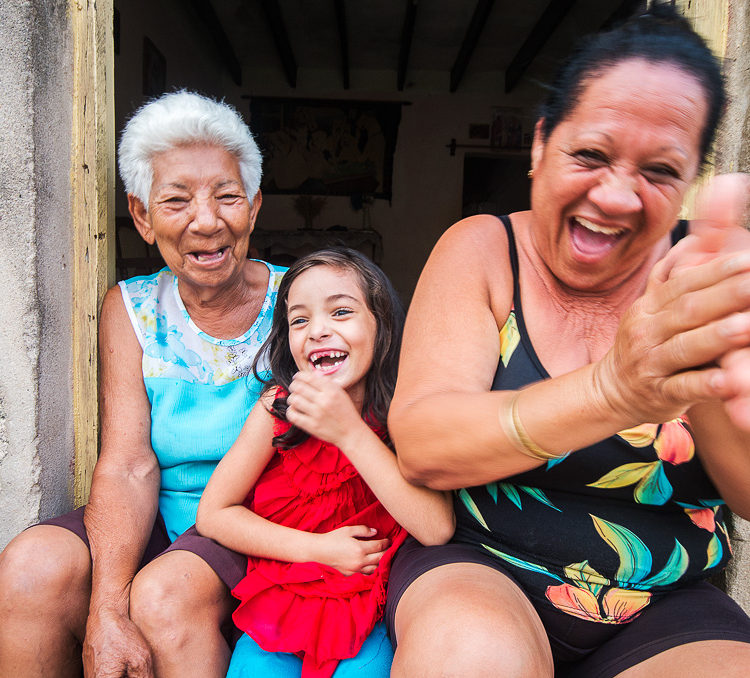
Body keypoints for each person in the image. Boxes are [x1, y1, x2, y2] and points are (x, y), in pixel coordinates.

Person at [385, 6, 750, 678]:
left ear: (693, 176)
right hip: (482, 566)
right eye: (589, 153)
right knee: (469, 659)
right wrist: (614, 391)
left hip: (672, 602)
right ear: (540, 143)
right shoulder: (482, 249)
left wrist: (703, 371)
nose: (615, 196)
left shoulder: (709, 279)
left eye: (661, 170)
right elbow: (423, 447)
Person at [0, 91, 286, 677]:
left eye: (227, 196)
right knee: (32, 567)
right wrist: (106, 609)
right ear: (142, 217)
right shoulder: (132, 308)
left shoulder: (302, 302)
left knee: (166, 594)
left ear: (254, 207)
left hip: (261, 522)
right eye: (176, 201)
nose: (207, 221)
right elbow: (129, 462)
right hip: (160, 522)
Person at [196, 247, 455, 678]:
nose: (317, 331)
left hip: (365, 612)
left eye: (340, 312)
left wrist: (349, 433)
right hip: (282, 603)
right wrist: (318, 550)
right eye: (300, 320)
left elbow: (437, 528)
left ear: (382, 326)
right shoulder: (277, 410)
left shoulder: (403, 415)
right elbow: (214, 513)